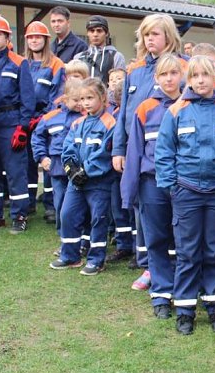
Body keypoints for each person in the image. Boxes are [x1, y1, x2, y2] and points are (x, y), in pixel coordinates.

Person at [155, 55, 215, 335]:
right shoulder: (176, 111)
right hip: (186, 191)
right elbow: (163, 153)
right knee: (188, 253)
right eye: (195, 75)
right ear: (189, 80)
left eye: (205, 75)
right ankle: (185, 310)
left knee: (214, 252)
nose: (200, 80)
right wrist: (172, 187)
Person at [112, 14, 184, 287]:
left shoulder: (182, 67)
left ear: (168, 35)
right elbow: (124, 114)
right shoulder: (135, 70)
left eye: (155, 33)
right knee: (146, 211)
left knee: (174, 217)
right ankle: (152, 268)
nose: (149, 39)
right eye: (145, 35)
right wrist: (119, 148)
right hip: (137, 149)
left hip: (171, 154)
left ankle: (178, 268)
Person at [120, 54, 185, 320]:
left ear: (182, 75)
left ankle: (185, 290)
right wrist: (129, 192)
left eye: (174, 73)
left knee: (184, 241)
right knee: (156, 240)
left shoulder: (190, 104)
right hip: (152, 184)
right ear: (156, 78)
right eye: (163, 74)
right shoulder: (145, 108)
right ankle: (161, 292)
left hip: (184, 185)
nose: (169, 79)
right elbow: (134, 151)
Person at [51, 77, 116, 275]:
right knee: (67, 214)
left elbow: (105, 152)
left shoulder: (109, 123)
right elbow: (68, 147)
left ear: (103, 98)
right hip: (76, 182)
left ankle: (96, 259)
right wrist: (71, 168)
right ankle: (70, 255)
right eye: (83, 98)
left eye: (90, 97)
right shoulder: (77, 123)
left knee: (98, 218)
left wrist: (86, 170)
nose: (86, 102)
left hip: (98, 183)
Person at [0, 16, 36, 234]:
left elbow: (27, 98)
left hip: (11, 123)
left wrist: (22, 127)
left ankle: (20, 215)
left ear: (7, 37)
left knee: (15, 171)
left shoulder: (19, 62)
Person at [23, 20, 66, 221]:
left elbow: (56, 96)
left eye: (38, 37)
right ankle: (29, 202)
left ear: (46, 40)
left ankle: (50, 205)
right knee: (26, 164)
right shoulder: (23, 64)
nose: (34, 40)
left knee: (48, 163)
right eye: (30, 37)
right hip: (24, 120)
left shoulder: (57, 65)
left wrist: (42, 120)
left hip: (46, 121)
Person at [30, 79, 83, 236]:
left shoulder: (86, 117)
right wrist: (42, 157)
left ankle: (80, 234)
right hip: (57, 167)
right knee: (59, 200)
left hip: (78, 166)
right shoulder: (50, 117)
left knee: (77, 202)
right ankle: (63, 234)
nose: (80, 103)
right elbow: (37, 137)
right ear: (65, 98)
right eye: (76, 99)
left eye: (83, 98)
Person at [104, 67, 135, 267]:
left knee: (132, 209)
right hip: (114, 169)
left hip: (131, 165)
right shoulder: (110, 116)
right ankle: (123, 245)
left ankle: (135, 247)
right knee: (118, 208)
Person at [74, 15, 126, 83]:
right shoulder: (78, 57)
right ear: (87, 33)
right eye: (92, 31)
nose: (95, 34)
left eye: (99, 31)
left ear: (106, 33)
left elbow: (119, 85)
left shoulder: (116, 56)